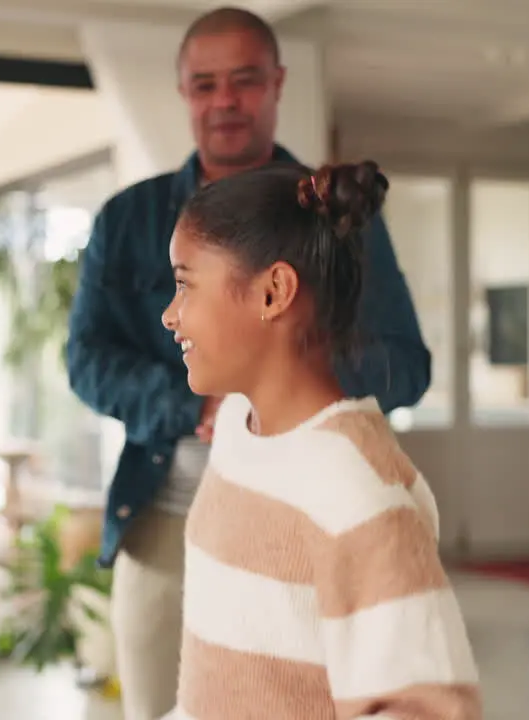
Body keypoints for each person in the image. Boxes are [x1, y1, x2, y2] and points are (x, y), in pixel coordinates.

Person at [64, 7, 430, 718]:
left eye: (244, 81)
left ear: (278, 84)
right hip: (165, 521)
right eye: (205, 84)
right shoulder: (127, 220)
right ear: (183, 93)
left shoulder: (340, 219)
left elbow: (406, 364)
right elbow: (85, 357)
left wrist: (279, 389)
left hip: (304, 513)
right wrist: (196, 403)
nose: (224, 100)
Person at [160, 160, 479, 719]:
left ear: (273, 292)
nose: (170, 314)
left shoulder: (356, 490)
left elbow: (427, 709)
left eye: (185, 284)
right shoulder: (237, 428)